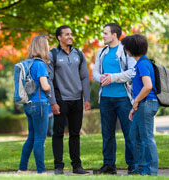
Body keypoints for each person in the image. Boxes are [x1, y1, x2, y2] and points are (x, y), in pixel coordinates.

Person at [92, 23, 136, 174]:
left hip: (123, 98)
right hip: (105, 99)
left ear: (114, 35)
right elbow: (95, 73)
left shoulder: (126, 51)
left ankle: (133, 166)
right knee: (107, 134)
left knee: (129, 133)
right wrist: (102, 78)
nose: (103, 36)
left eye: (105, 33)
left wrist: (113, 77)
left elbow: (132, 72)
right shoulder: (101, 52)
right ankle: (109, 165)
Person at [48, 25, 91, 175]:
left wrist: (87, 99)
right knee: (58, 133)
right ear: (59, 38)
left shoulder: (78, 54)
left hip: (77, 99)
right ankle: (58, 166)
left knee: (75, 134)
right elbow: (49, 79)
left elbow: (85, 77)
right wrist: (53, 101)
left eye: (71, 34)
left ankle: (77, 166)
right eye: (66, 34)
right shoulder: (52, 55)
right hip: (61, 100)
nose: (70, 37)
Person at [121, 34, 159, 175]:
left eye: (126, 47)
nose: (125, 49)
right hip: (141, 104)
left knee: (147, 137)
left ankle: (151, 171)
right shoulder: (140, 63)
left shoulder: (143, 64)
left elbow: (148, 86)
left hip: (146, 103)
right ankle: (139, 168)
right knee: (135, 136)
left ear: (131, 48)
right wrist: (134, 106)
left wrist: (136, 101)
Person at [18, 35, 51, 174]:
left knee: (31, 136)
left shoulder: (27, 63)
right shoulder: (40, 64)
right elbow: (44, 86)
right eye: (47, 45)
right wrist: (50, 86)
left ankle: (22, 168)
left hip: (28, 105)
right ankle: (41, 171)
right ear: (43, 47)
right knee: (39, 138)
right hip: (40, 105)